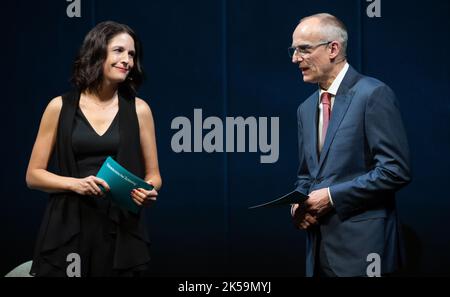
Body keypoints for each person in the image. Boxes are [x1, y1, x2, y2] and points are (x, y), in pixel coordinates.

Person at [26, 21, 162, 277]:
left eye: (132, 54)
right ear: (98, 52)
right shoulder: (59, 107)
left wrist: (149, 190)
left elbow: (154, 175)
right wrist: (75, 184)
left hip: (120, 228)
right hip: (67, 227)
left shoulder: (140, 110)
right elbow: (33, 175)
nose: (127, 60)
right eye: (119, 51)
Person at [289, 13, 411, 277]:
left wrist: (331, 197)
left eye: (304, 49)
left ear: (333, 48)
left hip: (365, 253)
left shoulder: (373, 94)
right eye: (294, 50)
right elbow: (307, 176)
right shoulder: (305, 109)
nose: (295, 59)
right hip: (319, 253)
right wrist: (298, 205)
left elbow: (395, 171)